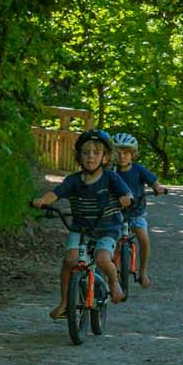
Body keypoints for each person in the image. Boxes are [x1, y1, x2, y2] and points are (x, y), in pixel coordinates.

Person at [32, 130, 133, 318]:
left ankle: (114, 281)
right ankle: (65, 303)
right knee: (70, 261)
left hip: (107, 228)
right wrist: (43, 200)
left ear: (105, 157)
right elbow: (57, 193)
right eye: (86, 153)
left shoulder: (111, 178)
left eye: (96, 153)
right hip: (81, 227)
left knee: (103, 259)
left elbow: (126, 193)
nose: (90, 157)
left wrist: (126, 198)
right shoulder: (73, 180)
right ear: (78, 156)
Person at [110, 133, 166, 287]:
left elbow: (154, 182)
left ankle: (142, 271)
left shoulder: (138, 169)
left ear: (133, 154)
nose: (122, 156)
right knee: (113, 242)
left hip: (136, 212)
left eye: (126, 153)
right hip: (117, 212)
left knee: (145, 242)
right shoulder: (111, 172)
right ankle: (114, 271)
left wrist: (158, 188)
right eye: (118, 153)